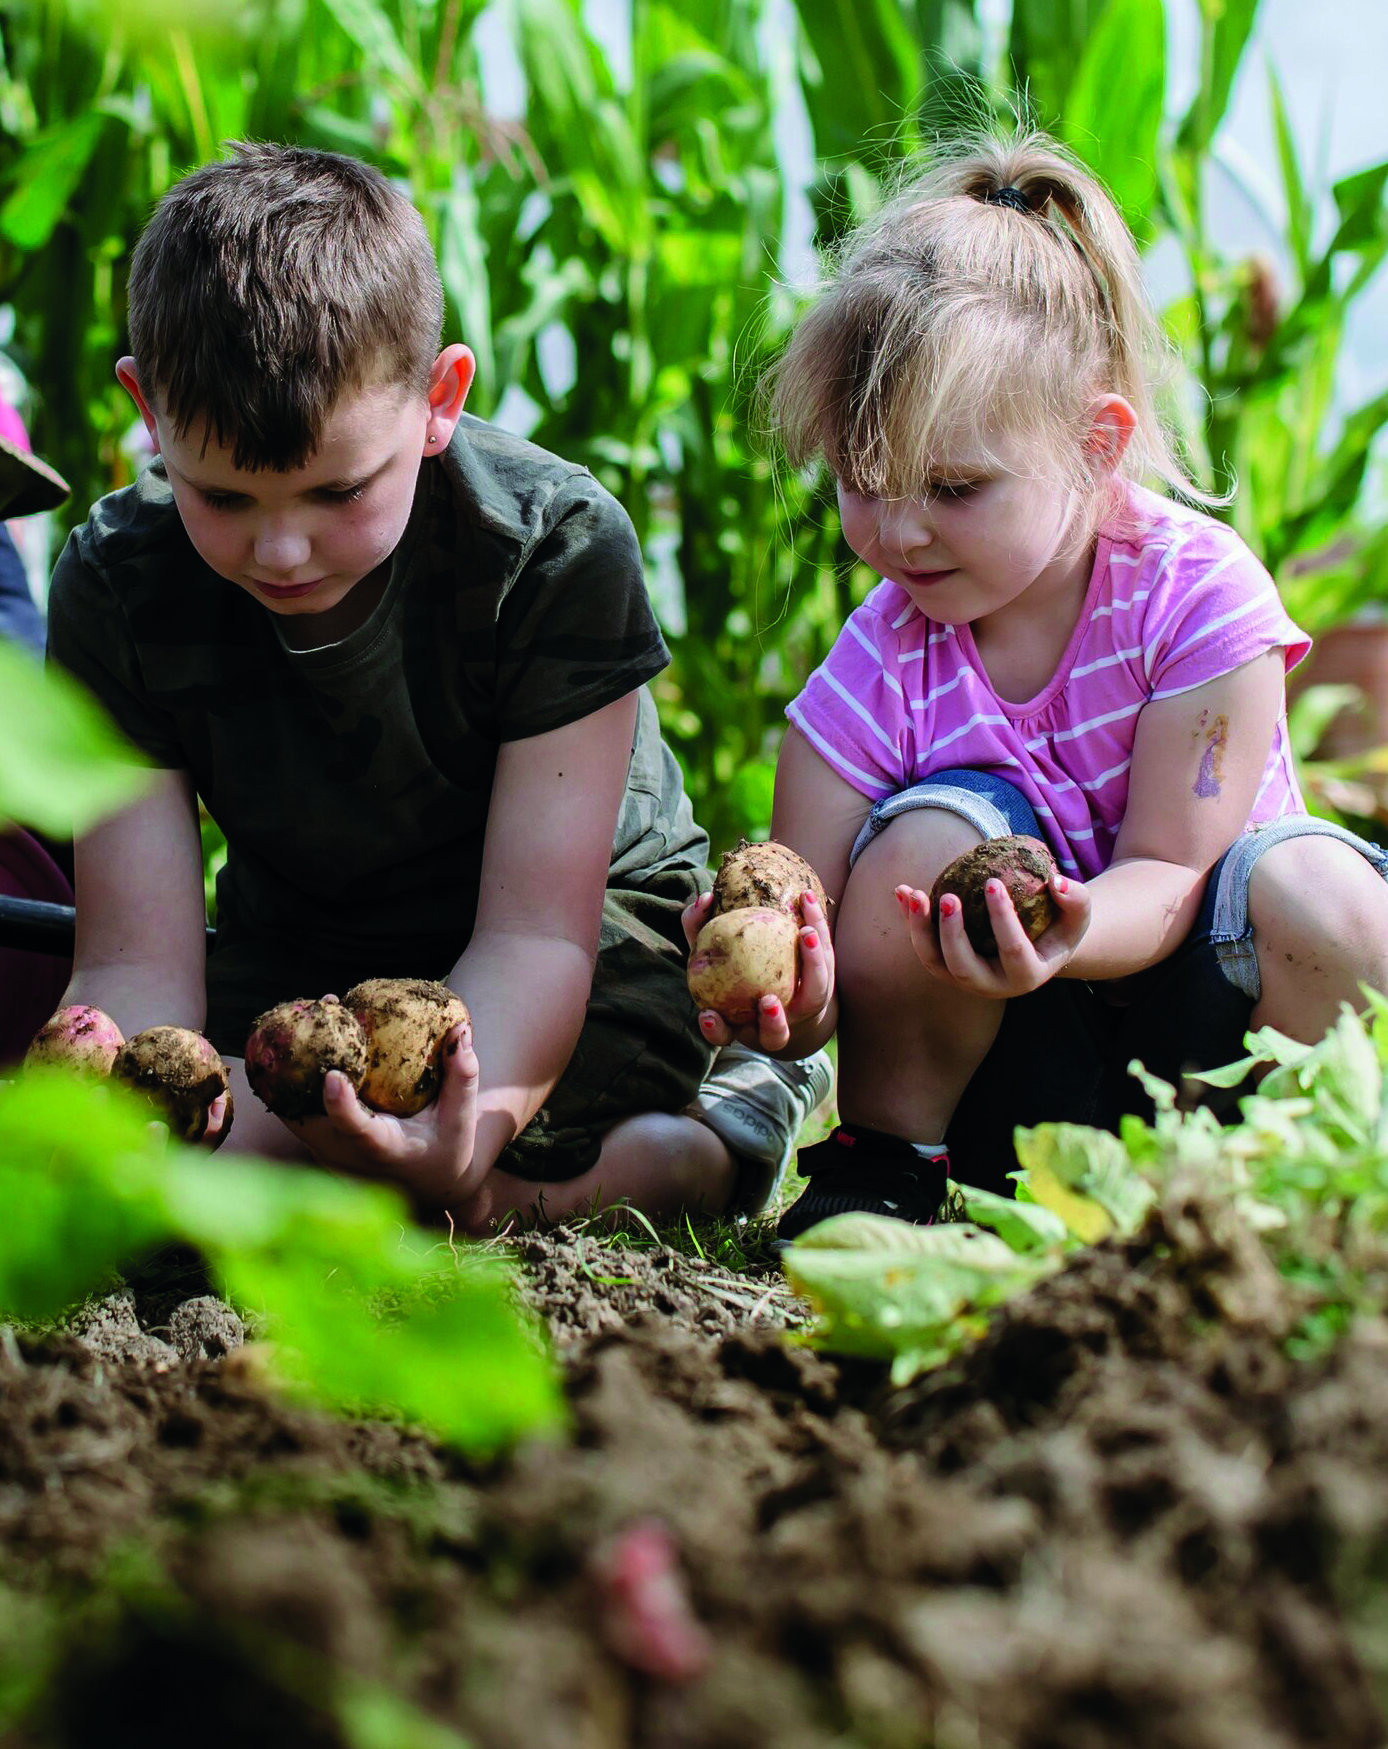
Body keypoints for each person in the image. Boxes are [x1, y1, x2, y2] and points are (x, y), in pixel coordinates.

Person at [49, 143, 826, 1226]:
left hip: (580, 945)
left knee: (357, 1159)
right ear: (146, 407)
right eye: (222, 496)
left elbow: (534, 937)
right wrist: (124, 1094)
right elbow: (135, 955)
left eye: (335, 489)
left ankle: (694, 1151)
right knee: (148, 1113)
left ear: (439, 398)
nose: (281, 548)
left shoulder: (554, 547)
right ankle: (392, 1180)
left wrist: (457, 1139)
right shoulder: (114, 581)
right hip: (308, 951)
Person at [748, 133, 1388, 1238]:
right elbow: (803, 901)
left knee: (1321, 895)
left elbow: (1166, 871)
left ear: (1096, 444)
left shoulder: (1194, 596)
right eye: (861, 484)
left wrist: (1066, 924)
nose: (897, 529)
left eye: (953, 486)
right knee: (923, 841)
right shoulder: (884, 654)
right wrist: (785, 984)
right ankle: (886, 1163)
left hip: (1208, 1056)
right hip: (1021, 1090)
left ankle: (1327, 1181)